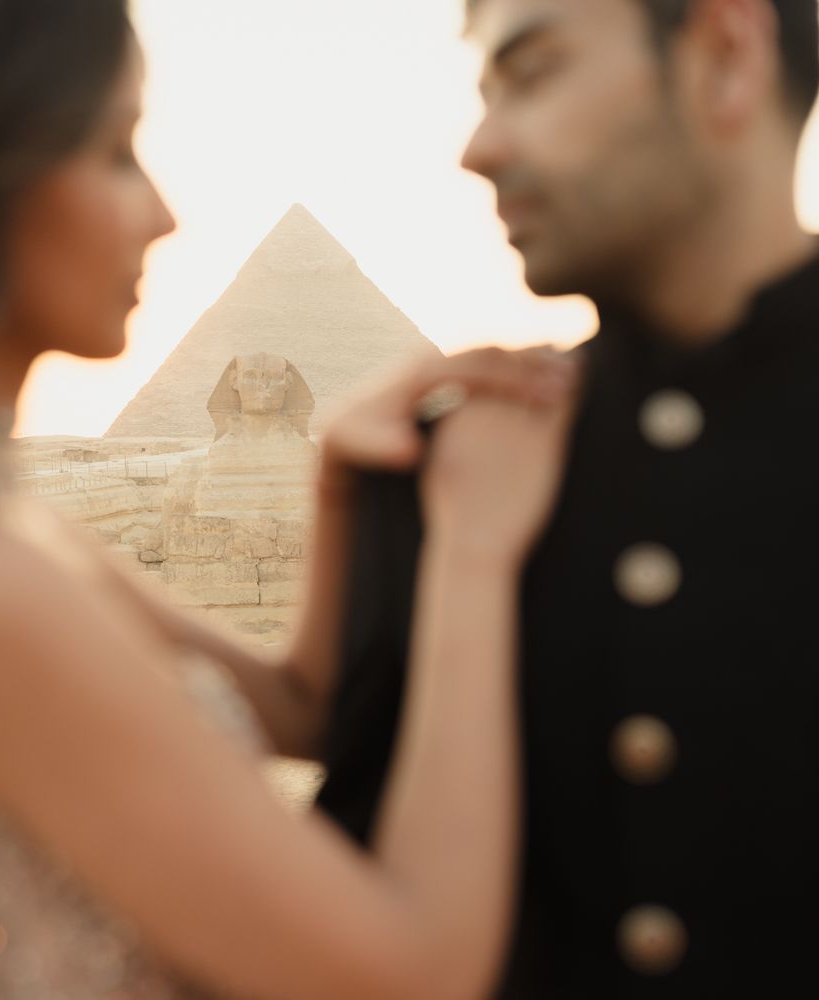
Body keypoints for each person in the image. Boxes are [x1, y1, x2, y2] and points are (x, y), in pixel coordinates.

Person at [0, 1, 582, 998]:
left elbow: (299, 712)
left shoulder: (6, 529)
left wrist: (333, 484)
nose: (164, 214)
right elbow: (418, 971)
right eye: (115, 152)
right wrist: (473, 551)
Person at [318, 0, 819, 996]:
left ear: (723, 57)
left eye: (534, 73)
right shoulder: (446, 463)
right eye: (483, 93)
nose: (477, 146)